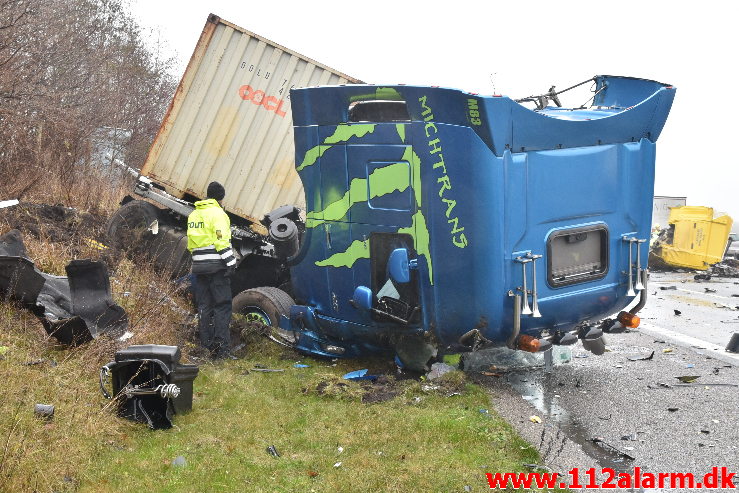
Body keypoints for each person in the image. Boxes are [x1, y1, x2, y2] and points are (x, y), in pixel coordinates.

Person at [186, 181, 236, 359]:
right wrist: (231, 263)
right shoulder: (218, 214)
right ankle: (222, 351)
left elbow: (191, 244)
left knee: (204, 307)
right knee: (222, 306)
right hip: (216, 267)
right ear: (221, 198)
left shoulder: (194, 215)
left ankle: (205, 348)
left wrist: (197, 263)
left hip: (199, 267)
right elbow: (221, 240)